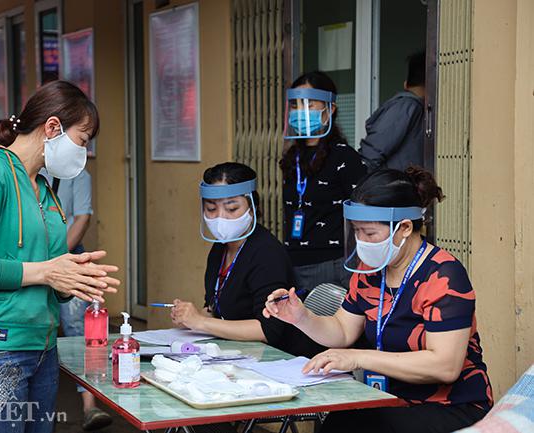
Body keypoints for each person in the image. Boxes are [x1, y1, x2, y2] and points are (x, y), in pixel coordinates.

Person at [0, 80, 121, 433]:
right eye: (82, 140)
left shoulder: (43, 189)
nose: (83, 151)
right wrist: (44, 273)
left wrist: (74, 278)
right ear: (52, 127)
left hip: (42, 350)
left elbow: (49, 270)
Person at [264, 167, 493, 433]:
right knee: (338, 423)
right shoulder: (371, 269)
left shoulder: (444, 275)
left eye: (370, 234)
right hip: (392, 400)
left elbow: (445, 366)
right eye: (356, 231)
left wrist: (358, 358)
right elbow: (342, 330)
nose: (361, 241)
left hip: (452, 406)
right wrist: (301, 317)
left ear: (405, 227)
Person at [171, 162, 325, 359]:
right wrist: (190, 316)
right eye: (211, 209)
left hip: (282, 358)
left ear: (252, 207)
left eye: (232, 208)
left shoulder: (267, 253)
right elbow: (216, 309)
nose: (221, 218)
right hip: (239, 353)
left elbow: (267, 330)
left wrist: (201, 322)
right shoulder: (220, 247)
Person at [280, 71, 367, 292]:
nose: (300, 111)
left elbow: (364, 208)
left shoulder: (344, 156)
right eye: (295, 105)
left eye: (309, 104)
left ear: (329, 110)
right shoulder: (292, 158)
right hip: (294, 262)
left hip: (333, 264)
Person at [42, 167, 112, 431]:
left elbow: (82, 218)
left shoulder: (78, 176)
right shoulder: (29, 173)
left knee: (79, 330)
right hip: (33, 261)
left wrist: (59, 258)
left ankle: (89, 406)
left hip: (68, 258)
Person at [359, 52, 426, 171]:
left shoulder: (411, 107)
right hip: (392, 186)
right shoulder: (407, 105)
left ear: (406, 84)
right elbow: (371, 155)